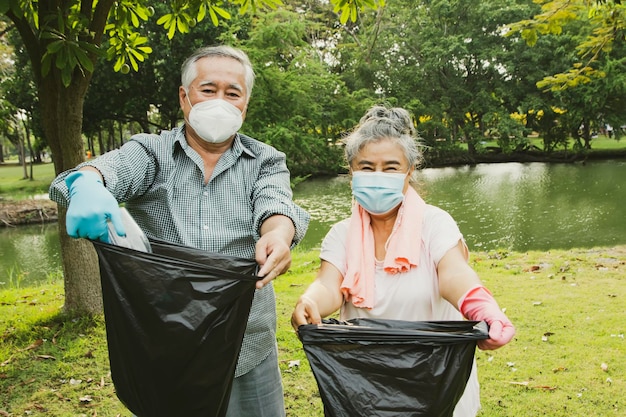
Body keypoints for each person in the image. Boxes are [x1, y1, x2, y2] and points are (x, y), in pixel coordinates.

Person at [49, 45, 310, 417]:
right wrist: (87, 185)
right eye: (208, 89)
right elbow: (103, 171)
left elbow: (277, 203)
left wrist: (279, 235)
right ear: (185, 97)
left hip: (246, 343)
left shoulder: (265, 159)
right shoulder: (151, 152)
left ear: (245, 105)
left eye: (232, 93)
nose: (220, 100)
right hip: (168, 343)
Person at [290, 105, 515, 417]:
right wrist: (309, 301)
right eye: (366, 168)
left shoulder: (435, 224)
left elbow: (454, 274)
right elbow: (329, 284)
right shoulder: (341, 235)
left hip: (435, 382)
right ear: (351, 172)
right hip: (367, 385)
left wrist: (481, 307)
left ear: (410, 171)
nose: (377, 176)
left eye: (391, 167)